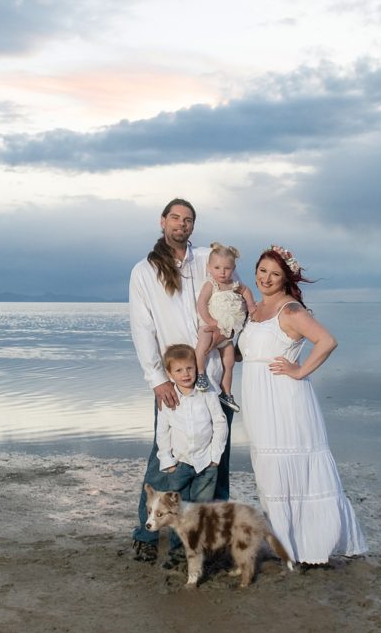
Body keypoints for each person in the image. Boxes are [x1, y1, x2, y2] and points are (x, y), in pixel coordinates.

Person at [237, 245, 367, 565]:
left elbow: (327, 341)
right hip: (258, 402)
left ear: (285, 278)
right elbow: (250, 353)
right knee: (270, 474)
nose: (266, 278)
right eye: (262, 270)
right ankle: (289, 547)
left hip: (286, 402)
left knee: (292, 469)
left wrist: (300, 370)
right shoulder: (255, 311)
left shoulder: (291, 311)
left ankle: (310, 547)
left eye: (275, 274)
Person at [128, 198, 235, 562]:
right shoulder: (144, 271)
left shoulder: (206, 259)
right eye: (175, 217)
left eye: (188, 219)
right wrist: (156, 379)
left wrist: (230, 336)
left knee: (214, 464)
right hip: (174, 383)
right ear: (162, 222)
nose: (182, 224)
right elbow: (142, 328)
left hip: (213, 379)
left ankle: (210, 540)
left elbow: (231, 295)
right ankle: (146, 534)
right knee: (165, 462)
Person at [156, 344, 228, 505]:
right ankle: (178, 532)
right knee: (176, 510)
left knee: (200, 511)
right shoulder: (168, 398)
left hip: (206, 463)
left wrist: (215, 457)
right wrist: (168, 461)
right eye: (179, 370)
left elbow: (220, 422)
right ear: (169, 374)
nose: (185, 374)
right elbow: (162, 431)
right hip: (179, 463)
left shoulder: (207, 392)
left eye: (189, 368)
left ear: (197, 368)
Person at [193, 242, 256, 412]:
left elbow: (247, 291)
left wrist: (251, 305)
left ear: (233, 268)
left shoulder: (235, 285)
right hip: (209, 326)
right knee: (202, 345)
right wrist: (210, 321)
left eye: (227, 268)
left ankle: (226, 392)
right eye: (217, 267)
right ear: (209, 268)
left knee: (229, 362)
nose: (222, 272)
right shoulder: (210, 285)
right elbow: (201, 304)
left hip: (226, 334)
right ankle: (200, 374)